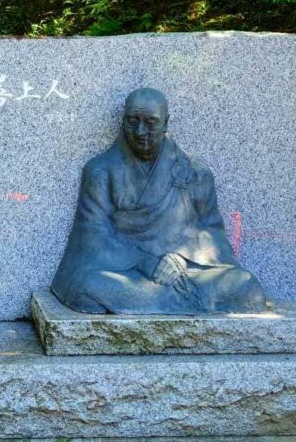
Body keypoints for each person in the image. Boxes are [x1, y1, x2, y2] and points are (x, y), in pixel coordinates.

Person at [51, 88, 266, 315]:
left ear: (166, 123)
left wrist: (180, 258)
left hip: (181, 270)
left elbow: (210, 231)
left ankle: (162, 299)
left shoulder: (195, 172)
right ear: (123, 121)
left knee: (246, 286)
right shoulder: (101, 171)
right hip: (124, 270)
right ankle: (180, 299)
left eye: (151, 122)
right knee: (86, 287)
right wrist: (145, 262)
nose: (140, 131)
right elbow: (93, 236)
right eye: (132, 121)